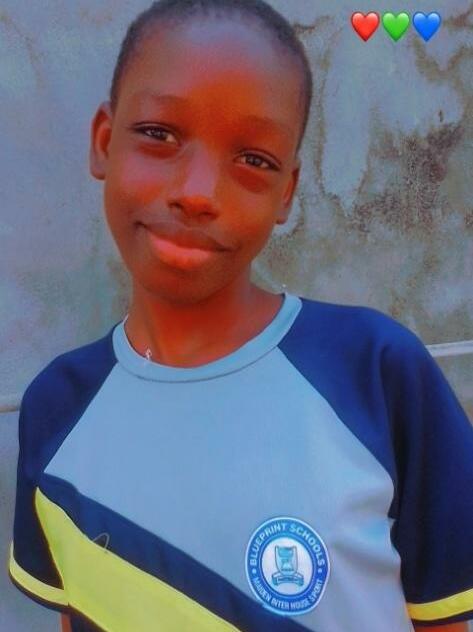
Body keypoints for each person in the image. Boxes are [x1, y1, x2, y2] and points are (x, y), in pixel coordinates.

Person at [7, 1, 473, 631]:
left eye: (254, 160)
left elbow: (442, 618)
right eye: (159, 134)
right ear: (103, 142)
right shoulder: (56, 409)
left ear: (287, 193)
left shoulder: (377, 373)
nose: (198, 193)